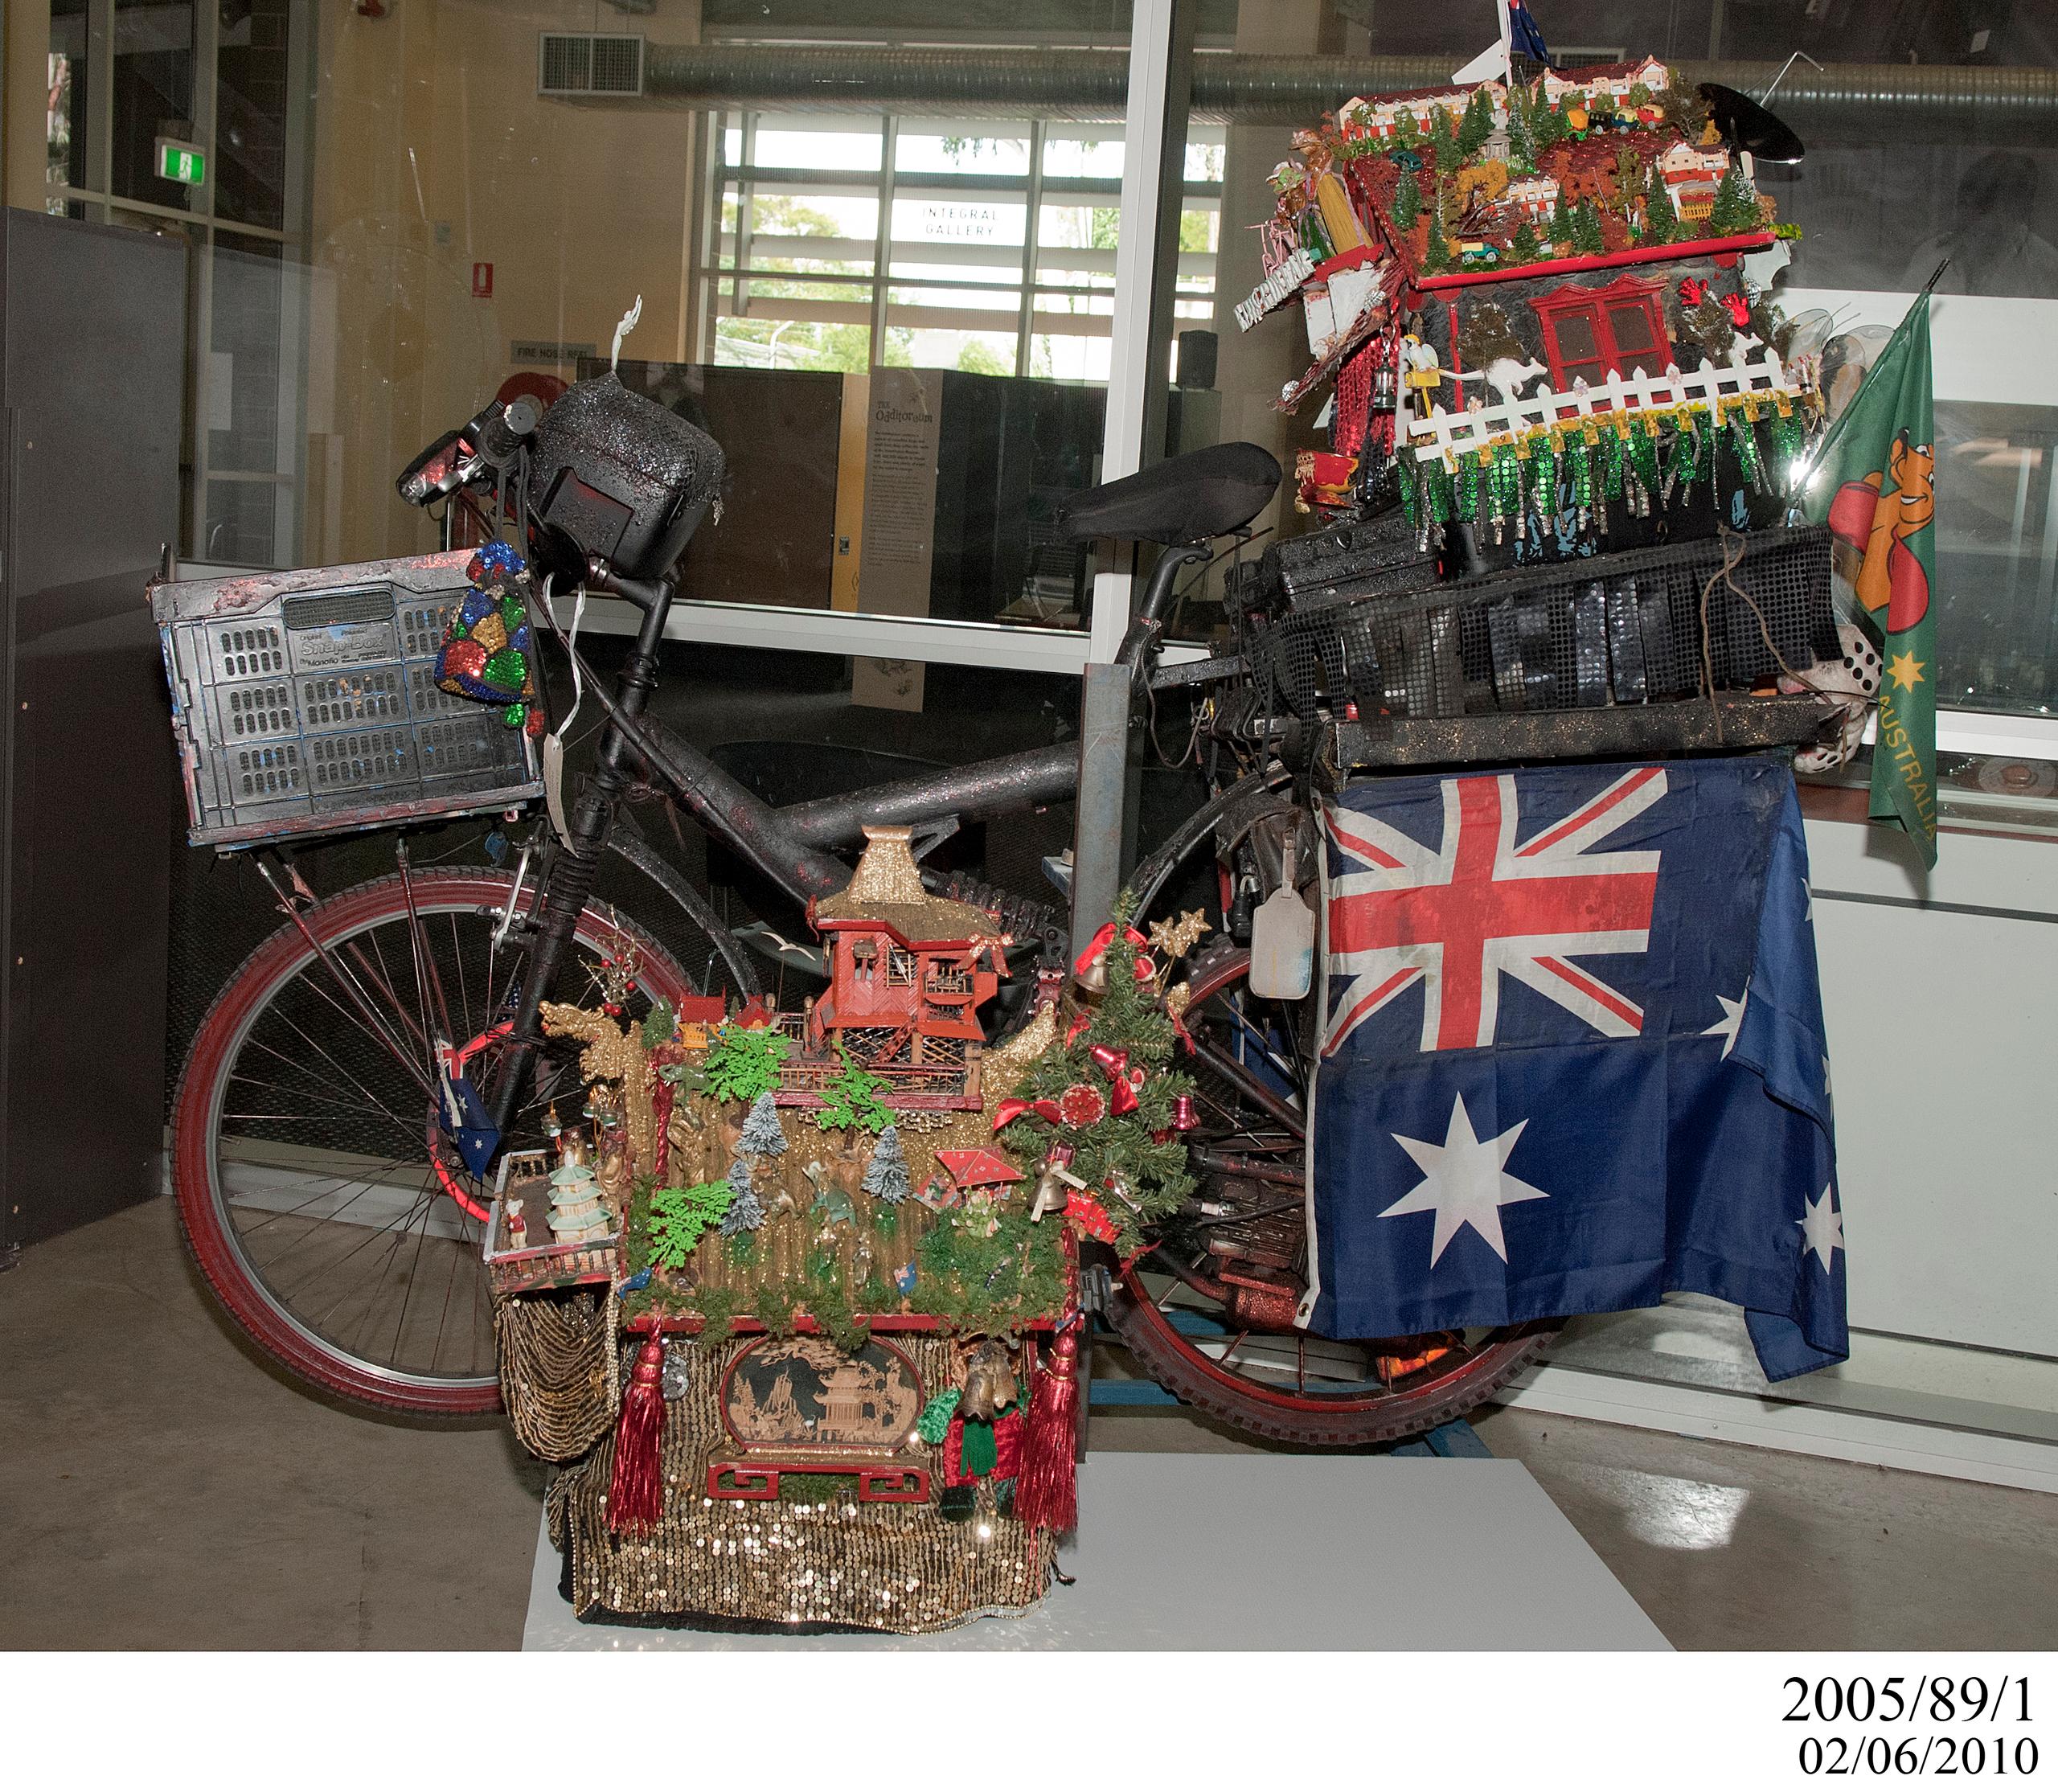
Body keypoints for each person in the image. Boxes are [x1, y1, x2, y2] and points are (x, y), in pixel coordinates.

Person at [1901, 150, 2058, 299]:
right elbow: (1902, 319)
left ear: (2019, 210)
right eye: (1965, 203)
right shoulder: (1932, 254)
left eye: (1987, 206)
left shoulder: (2045, 264)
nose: (1974, 217)